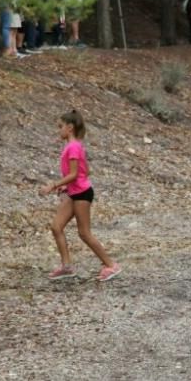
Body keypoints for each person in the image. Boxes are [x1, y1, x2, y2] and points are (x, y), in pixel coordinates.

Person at [40, 110, 123, 282]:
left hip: (82, 194)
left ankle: (111, 265)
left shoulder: (73, 147)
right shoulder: (73, 146)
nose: (59, 130)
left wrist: (54, 185)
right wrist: (65, 186)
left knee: (84, 233)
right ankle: (67, 267)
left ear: (70, 128)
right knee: (56, 226)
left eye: (60, 126)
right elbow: (85, 171)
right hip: (74, 192)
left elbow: (74, 174)